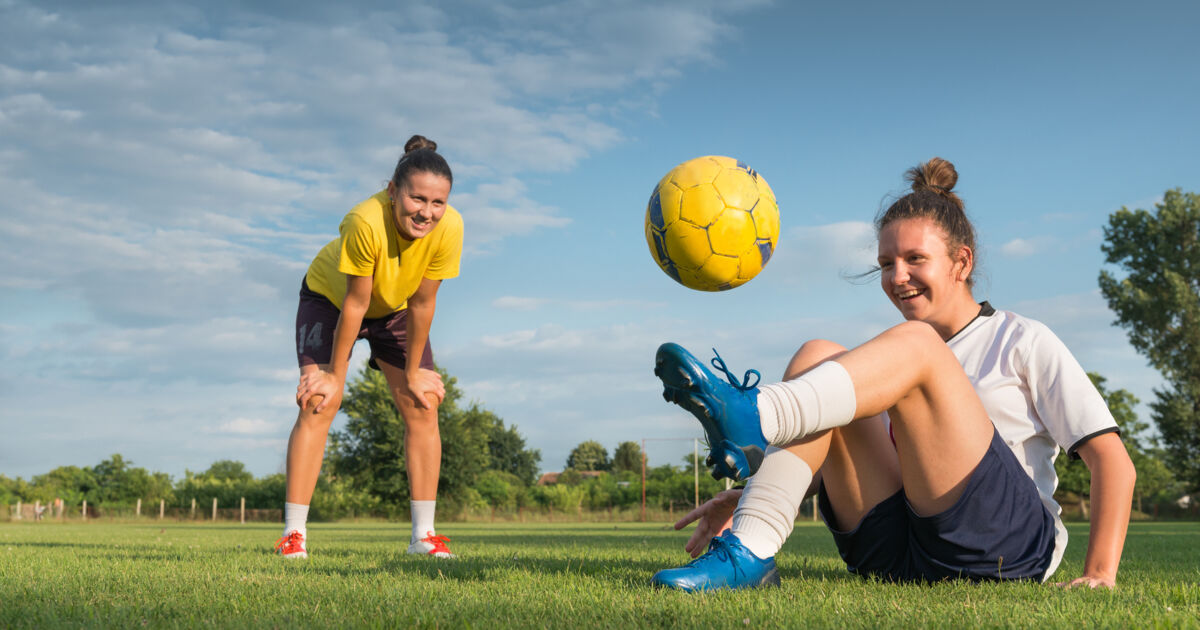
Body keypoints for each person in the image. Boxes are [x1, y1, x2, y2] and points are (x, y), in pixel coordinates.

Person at [650, 157, 1136, 591]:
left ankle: (758, 413)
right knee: (820, 355)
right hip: (897, 551)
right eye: (886, 263)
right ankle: (750, 550)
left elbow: (1112, 460)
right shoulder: (891, 357)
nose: (897, 276)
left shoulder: (1020, 339)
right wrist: (747, 498)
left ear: (961, 261)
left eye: (914, 259)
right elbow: (829, 464)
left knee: (917, 346)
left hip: (1000, 550)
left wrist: (1100, 572)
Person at [275, 135, 463, 559]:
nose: (427, 212)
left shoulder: (450, 227)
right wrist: (332, 377)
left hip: (395, 307)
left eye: (438, 202)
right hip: (331, 300)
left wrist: (413, 373)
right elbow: (356, 303)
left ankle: (424, 537)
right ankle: (293, 535)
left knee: (424, 401)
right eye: (417, 199)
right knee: (319, 402)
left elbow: (423, 302)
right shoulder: (364, 221)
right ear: (393, 191)